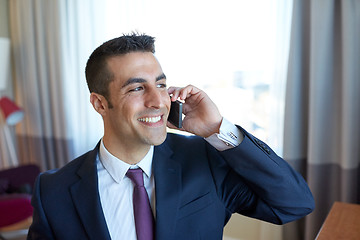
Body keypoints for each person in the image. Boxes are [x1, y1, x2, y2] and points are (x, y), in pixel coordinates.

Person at [27, 33, 314, 240]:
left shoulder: (204, 161)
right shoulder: (53, 191)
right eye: (137, 89)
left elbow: (294, 203)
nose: (158, 101)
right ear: (100, 104)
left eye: (161, 84)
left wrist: (216, 128)